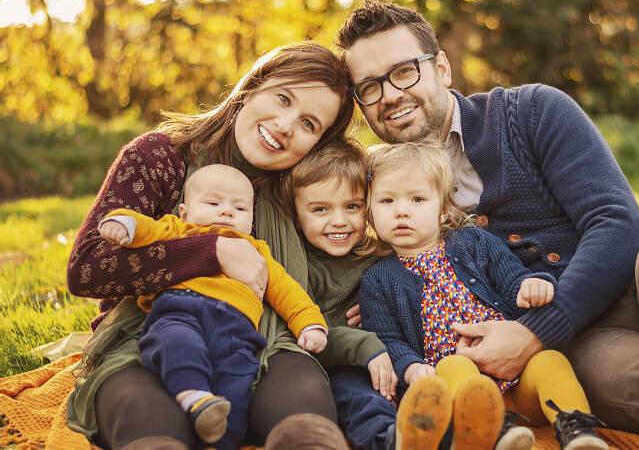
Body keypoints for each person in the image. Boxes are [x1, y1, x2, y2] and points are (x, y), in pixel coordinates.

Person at [335, 0, 639, 449]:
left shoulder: (529, 112)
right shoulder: (373, 188)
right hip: (581, 348)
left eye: (403, 72)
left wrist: (537, 330)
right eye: (369, 87)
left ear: (441, 68)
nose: (389, 95)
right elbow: (330, 241)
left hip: (635, 286)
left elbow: (617, 222)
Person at [66, 41, 354, 450]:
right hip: (150, 337)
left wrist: (366, 300)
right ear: (252, 86)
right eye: (283, 98)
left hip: (266, 343)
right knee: (153, 426)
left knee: (305, 420)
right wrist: (211, 251)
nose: (286, 124)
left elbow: (344, 251)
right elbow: (87, 268)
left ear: (317, 143)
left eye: (309, 124)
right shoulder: (160, 157)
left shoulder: (298, 191)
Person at [360, 140, 608, 450]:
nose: (401, 211)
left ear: (443, 210)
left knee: (549, 361)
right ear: (370, 214)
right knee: (454, 368)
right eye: (386, 201)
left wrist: (530, 285)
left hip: (519, 380)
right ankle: (493, 432)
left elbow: (511, 278)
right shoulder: (377, 280)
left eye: (418, 199)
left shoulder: (473, 242)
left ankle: (578, 431)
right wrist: (411, 367)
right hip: (455, 381)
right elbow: (386, 339)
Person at [98, 163, 329, 450]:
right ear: (185, 212)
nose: (228, 212)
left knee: (239, 380)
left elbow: (286, 290)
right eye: (214, 203)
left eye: (240, 208)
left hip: (236, 328)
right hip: (180, 310)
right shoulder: (179, 230)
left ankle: (221, 438)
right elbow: (147, 229)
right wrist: (124, 223)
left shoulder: (257, 251)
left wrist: (309, 324)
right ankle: (192, 395)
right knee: (177, 344)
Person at [276, 136, 401, 450]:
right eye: (320, 209)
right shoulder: (300, 266)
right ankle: (391, 440)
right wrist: (364, 344)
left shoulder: (380, 253)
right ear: (295, 214)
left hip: (397, 357)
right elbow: (307, 337)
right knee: (358, 397)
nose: (339, 221)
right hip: (338, 368)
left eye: (352, 206)